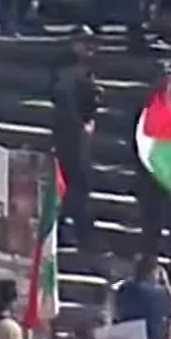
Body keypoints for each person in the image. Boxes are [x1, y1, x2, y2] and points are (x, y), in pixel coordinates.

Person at [49, 34, 102, 249]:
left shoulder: (83, 69)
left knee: (76, 184)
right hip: (71, 133)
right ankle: (73, 229)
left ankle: (74, 228)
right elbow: (67, 100)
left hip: (77, 130)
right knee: (75, 183)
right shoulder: (67, 72)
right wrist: (81, 123)